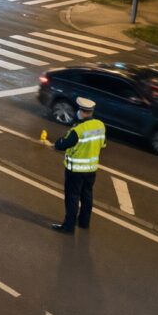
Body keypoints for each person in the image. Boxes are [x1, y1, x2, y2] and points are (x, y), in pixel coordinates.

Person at [51, 97, 107, 234]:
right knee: (87, 196)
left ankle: (68, 227)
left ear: (81, 111)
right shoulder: (100, 125)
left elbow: (63, 144)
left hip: (75, 170)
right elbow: (103, 144)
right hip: (91, 170)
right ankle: (84, 222)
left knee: (72, 198)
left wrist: (57, 143)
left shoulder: (78, 130)